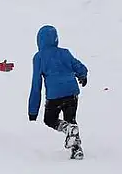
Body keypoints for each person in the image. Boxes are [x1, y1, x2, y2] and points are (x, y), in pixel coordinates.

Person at [28, 25, 88, 159]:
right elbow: (79, 66)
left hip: (54, 96)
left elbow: (36, 84)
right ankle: (76, 149)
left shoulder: (39, 57)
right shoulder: (65, 53)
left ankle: (66, 129)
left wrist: (33, 111)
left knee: (49, 119)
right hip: (72, 92)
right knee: (71, 119)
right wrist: (83, 76)